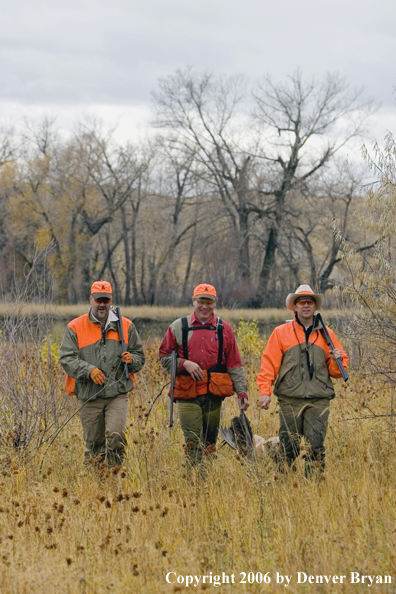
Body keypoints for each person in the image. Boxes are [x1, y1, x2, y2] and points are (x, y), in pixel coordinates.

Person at [256, 285, 348, 475]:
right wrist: (264, 392)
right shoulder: (281, 332)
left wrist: (339, 358)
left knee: (316, 446)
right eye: (301, 302)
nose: (306, 305)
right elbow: (268, 364)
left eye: (310, 302)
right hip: (290, 399)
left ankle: (313, 489)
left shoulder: (327, 334)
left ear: (314, 306)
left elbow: (338, 372)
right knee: (289, 447)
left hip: (318, 399)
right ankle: (284, 486)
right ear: (295, 307)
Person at [159, 283, 249, 471]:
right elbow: (164, 358)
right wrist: (184, 364)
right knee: (193, 441)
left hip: (213, 396)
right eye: (201, 301)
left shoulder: (224, 329)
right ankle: (194, 482)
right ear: (194, 302)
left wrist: (242, 391)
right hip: (187, 394)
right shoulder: (178, 327)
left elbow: (234, 364)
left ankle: (206, 481)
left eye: (209, 302)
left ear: (215, 304)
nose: (205, 306)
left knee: (209, 442)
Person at [59, 281, 145, 466]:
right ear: (91, 300)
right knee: (94, 444)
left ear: (111, 301)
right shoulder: (75, 327)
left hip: (117, 394)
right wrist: (89, 371)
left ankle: (116, 479)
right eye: (98, 300)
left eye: (106, 300)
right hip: (88, 395)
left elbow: (140, 357)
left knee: (116, 436)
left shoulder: (126, 325)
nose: (102, 304)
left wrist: (132, 360)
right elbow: (66, 358)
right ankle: (95, 484)